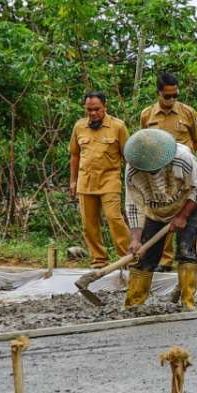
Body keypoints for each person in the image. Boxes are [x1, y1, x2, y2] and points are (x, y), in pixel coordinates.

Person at [123, 128, 197, 310]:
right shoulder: (133, 170)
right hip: (155, 211)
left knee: (186, 252)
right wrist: (136, 239)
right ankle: (133, 303)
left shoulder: (182, 158)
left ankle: (188, 303)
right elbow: (133, 205)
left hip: (186, 205)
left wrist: (183, 216)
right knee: (145, 256)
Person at [140, 72, 197, 271]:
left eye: (175, 95)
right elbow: (144, 142)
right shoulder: (147, 115)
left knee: (190, 218)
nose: (171, 100)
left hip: (184, 175)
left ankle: (192, 263)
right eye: (167, 96)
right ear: (158, 93)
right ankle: (163, 261)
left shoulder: (188, 113)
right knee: (160, 217)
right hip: (159, 175)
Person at [69, 92, 131, 268]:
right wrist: (73, 181)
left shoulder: (118, 126)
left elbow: (128, 156)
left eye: (97, 109)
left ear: (105, 107)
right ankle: (99, 260)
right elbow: (74, 155)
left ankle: (127, 258)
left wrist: (132, 181)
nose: (93, 113)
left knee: (114, 218)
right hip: (85, 181)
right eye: (89, 110)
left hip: (109, 180)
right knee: (89, 224)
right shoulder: (79, 127)